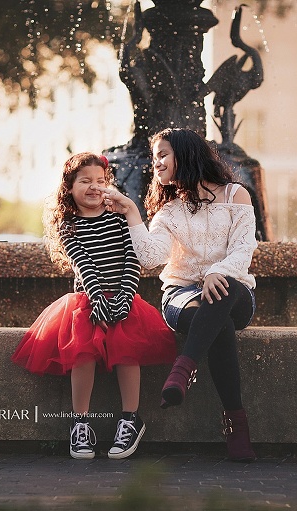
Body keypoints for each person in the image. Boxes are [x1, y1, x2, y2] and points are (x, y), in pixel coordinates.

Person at [99, 128, 258, 462]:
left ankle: (183, 367)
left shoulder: (236, 195)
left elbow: (244, 250)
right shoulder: (169, 211)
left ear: (185, 154)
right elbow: (151, 258)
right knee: (219, 326)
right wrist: (131, 212)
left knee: (222, 292)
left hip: (234, 290)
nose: (155, 163)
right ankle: (235, 423)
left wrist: (218, 271)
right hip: (182, 296)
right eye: (155, 156)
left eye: (162, 154)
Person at [11, 152, 176, 460]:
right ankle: (80, 422)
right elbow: (83, 265)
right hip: (87, 300)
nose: (94, 187)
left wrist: (125, 297)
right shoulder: (68, 225)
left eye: (100, 181)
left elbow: (132, 258)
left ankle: (130, 419)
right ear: (69, 188)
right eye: (85, 181)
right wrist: (99, 298)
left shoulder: (118, 216)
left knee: (128, 349)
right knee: (82, 352)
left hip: (125, 297)